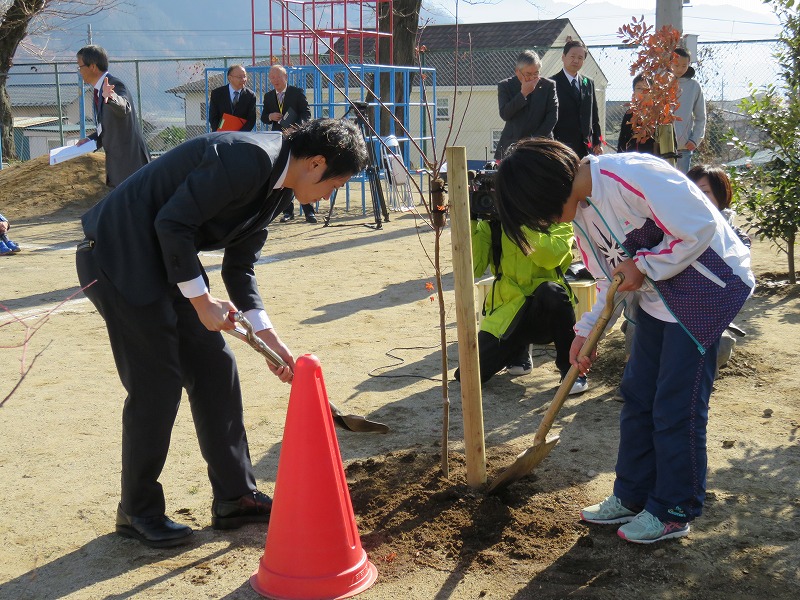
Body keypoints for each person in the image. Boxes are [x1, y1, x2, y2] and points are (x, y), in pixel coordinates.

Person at [75, 119, 368, 548]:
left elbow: (239, 267)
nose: (331, 194)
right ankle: (137, 510)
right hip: (119, 257)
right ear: (316, 163)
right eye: (336, 183)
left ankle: (236, 497)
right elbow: (173, 224)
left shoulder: (278, 189)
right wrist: (201, 302)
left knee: (216, 367)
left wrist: (269, 339)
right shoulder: (246, 158)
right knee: (157, 382)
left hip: (166, 262)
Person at [494, 138, 754, 544]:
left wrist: (645, 265)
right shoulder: (579, 214)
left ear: (544, 189)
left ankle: (673, 509)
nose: (546, 224)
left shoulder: (633, 174)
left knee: (675, 405)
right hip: (654, 296)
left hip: (707, 289)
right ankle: (631, 495)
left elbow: (698, 229)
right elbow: (610, 281)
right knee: (637, 396)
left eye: (537, 214)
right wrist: (585, 334)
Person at [454, 218, 588, 395]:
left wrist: (519, 222)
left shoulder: (556, 218)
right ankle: (518, 350)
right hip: (508, 315)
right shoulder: (495, 223)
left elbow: (550, 258)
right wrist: (470, 221)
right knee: (467, 375)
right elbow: (475, 268)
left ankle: (571, 370)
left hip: (546, 316)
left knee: (551, 292)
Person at [76, 45, 150, 188]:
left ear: (92, 66)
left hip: (131, 166)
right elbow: (106, 127)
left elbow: (124, 107)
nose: (79, 72)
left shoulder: (114, 85)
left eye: (80, 67)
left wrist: (111, 98)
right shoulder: (99, 90)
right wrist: (91, 140)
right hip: (118, 168)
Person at [260, 65, 315, 223]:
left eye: (278, 77)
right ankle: (287, 211)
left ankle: (308, 211)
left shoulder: (296, 93)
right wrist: (270, 116)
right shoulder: (269, 96)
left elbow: (306, 113)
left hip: (297, 138)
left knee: (302, 172)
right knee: (283, 174)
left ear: (285, 77)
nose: (275, 80)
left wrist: (296, 127)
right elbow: (263, 117)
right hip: (279, 139)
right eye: (272, 77)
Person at [493, 50, 558, 160]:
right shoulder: (505, 86)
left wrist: (533, 141)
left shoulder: (548, 86)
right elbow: (505, 114)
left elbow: (552, 117)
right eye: (528, 74)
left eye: (536, 73)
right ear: (517, 71)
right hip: (512, 145)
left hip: (541, 144)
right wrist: (523, 94)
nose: (532, 78)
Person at [551, 39, 603, 158]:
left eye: (580, 58)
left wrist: (597, 141)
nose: (576, 60)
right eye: (572, 56)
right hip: (561, 146)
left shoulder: (588, 83)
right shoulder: (552, 83)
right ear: (563, 57)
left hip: (586, 146)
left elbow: (594, 115)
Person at [671, 47, 706, 173]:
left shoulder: (694, 86)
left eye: (684, 65)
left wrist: (695, 139)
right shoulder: (661, 84)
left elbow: (701, 116)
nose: (679, 69)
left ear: (689, 64)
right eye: (676, 65)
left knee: (681, 184)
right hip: (661, 146)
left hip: (683, 147)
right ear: (669, 63)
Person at [208, 64, 257, 132]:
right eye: (240, 77)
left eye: (245, 76)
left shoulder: (250, 95)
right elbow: (213, 117)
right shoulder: (217, 94)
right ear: (230, 78)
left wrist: (239, 135)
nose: (243, 79)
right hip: (221, 135)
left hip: (241, 137)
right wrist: (218, 132)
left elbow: (251, 120)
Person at [616, 75, 657, 155]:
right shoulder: (630, 113)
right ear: (634, 92)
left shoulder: (657, 112)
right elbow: (622, 139)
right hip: (632, 158)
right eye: (639, 88)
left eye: (646, 88)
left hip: (654, 159)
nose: (642, 91)